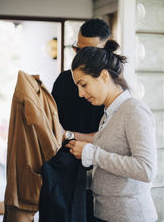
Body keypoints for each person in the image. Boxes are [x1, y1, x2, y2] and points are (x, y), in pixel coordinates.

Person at [66, 40, 158, 222]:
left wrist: (92, 154)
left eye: (83, 84)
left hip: (131, 217)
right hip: (106, 214)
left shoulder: (134, 110)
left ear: (104, 76)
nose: (80, 94)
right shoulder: (109, 113)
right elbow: (111, 167)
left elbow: (146, 169)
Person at [51, 18, 111, 221]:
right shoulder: (62, 81)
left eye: (89, 53)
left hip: (101, 178)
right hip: (66, 173)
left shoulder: (115, 91)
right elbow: (53, 126)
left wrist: (73, 137)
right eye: (78, 50)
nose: (81, 93)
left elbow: (110, 138)